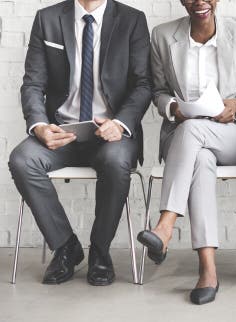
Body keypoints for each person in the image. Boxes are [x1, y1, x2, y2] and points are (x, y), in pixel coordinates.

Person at [8, 0, 151, 286]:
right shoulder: (47, 18)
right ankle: (65, 247)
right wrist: (39, 126)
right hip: (62, 131)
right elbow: (33, 83)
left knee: (116, 161)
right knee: (22, 160)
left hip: (110, 133)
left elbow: (143, 83)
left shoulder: (132, 19)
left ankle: (100, 251)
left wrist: (120, 123)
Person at [136, 0, 236, 305]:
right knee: (200, 157)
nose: (199, 1)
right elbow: (159, 90)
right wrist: (174, 108)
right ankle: (208, 270)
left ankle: (165, 226)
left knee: (193, 132)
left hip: (235, 135)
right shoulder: (164, 36)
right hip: (185, 137)